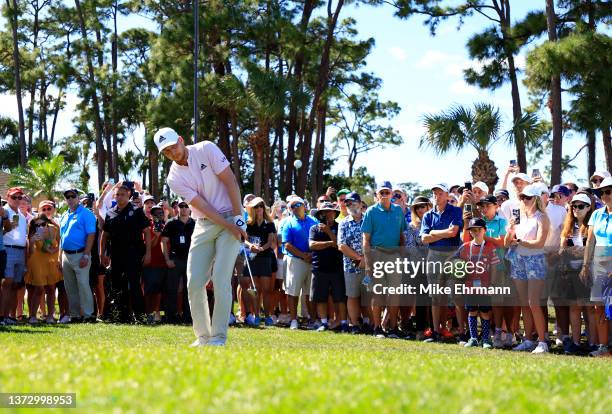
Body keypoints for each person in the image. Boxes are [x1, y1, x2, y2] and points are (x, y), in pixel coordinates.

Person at [155, 127, 246, 347]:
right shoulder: (173, 178)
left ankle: (218, 337)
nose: (172, 153)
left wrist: (238, 219)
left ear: (181, 139)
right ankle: (203, 337)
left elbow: (230, 181)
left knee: (221, 278)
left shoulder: (206, 148)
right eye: (166, 152)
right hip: (204, 223)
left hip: (231, 216)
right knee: (195, 282)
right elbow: (202, 206)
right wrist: (228, 225)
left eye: (173, 147)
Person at [504, 184, 550, 354]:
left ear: (536, 199)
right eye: (522, 197)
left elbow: (540, 243)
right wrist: (510, 231)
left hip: (535, 261)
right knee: (524, 302)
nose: (523, 200)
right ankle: (529, 340)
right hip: (517, 259)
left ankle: (543, 342)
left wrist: (520, 242)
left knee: (533, 302)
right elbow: (506, 243)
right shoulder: (519, 217)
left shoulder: (542, 217)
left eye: (527, 197)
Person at [100, 183, 151, 323]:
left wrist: (148, 253)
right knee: (117, 286)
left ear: (128, 195)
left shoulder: (137, 211)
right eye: (117, 194)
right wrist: (102, 254)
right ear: (114, 196)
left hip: (134, 254)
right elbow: (105, 235)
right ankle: (120, 317)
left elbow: (146, 232)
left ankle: (140, 317)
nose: (120, 197)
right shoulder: (110, 213)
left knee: (134, 285)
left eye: (123, 194)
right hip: (116, 255)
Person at [362, 181, 407, 338]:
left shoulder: (398, 211)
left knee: (394, 294)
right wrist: (368, 263)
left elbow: (402, 235)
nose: (384, 195)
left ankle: (393, 328)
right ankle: (377, 328)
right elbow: (366, 239)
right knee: (377, 294)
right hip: (377, 255)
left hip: (394, 255)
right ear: (377, 194)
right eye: (381, 192)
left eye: (387, 192)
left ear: (392, 194)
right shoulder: (371, 211)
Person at [420, 183, 464, 343]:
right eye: (435, 194)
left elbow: (454, 232)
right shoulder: (428, 215)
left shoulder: (456, 211)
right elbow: (424, 239)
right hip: (434, 256)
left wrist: (433, 232)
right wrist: (442, 233)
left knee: (456, 295)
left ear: (446, 195)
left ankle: (463, 333)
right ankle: (437, 331)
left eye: (440, 193)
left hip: (453, 255)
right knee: (436, 296)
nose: (437, 196)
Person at [558, 193, 596, 354]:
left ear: (588, 208)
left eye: (581, 206)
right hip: (571, 273)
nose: (576, 209)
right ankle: (575, 343)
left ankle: (593, 343)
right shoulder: (568, 228)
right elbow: (562, 251)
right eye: (574, 206)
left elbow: (592, 250)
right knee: (574, 308)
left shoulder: (591, 227)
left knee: (589, 309)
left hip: (588, 272)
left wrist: (578, 253)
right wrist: (565, 249)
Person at [456, 218, 499, 349]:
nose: (476, 232)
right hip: (469, 286)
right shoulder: (465, 247)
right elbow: (456, 264)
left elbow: (495, 268)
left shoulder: (491, 247)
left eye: (479, 230)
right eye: (473, 230)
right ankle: (473, 338)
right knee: (472, 311)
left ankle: (486, 339)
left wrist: (492, 284)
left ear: (484, 230)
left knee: (485, 312)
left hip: (485, 286)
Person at [580, 176, 612, 357]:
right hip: (598, 266)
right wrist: (585, 265)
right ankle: (603, 347)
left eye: (608, 191)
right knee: (598, 307)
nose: (604, 195)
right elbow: (590, 242)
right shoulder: (596, 214)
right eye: (602, 192)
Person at [59, 188, 97, 323]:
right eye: (67, 197)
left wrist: (86, 255)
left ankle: (88, 315)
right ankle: (75, 315)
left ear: (78, 198)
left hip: (80, 254)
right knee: (70, 287)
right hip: (66, 255)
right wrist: (60, 258)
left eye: (72, 196)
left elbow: (91, 235)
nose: (70, 199)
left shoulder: (86, 214)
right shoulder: (64, 214)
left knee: (83, 285)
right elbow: (62, 238)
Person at [281, 196, 318, 330]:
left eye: (298, 205)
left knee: (310, 293)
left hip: (312, 259)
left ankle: (312, 320)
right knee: (293, 292)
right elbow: (287, 245)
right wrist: (303, 256)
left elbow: (319, 238)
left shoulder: (313, 220)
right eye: (292, 206)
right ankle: (293, 320)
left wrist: (311, 255)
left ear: (304, 206)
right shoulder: (288, 223)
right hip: (296, 260)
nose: (296, 208)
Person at [309, 202, 347, 332]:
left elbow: (340, 245)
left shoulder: (340, 226)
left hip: (337, 268)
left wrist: (329, 232)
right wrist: (331, 242)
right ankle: (324, 323)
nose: (327, 214)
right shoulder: (314, 228)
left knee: (340, 297)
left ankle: (343, 323)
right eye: (324, 211)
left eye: (330, 211)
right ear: (320, 214)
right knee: (320, 297)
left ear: (335, 213)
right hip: (319, 267)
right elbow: (312, 245)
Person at [243, 197, 277, 326]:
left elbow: (271, 241)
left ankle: (267, 317)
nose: (259, 209)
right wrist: (250, 246)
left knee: (267, 289)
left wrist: (261, 248)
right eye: (256, 207)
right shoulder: (248, 223)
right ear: (252, 209)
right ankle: (256, 316)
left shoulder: (269, 224)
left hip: (265, 258)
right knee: (254, 289)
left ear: (264, 208)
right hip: (252, 258)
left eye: (261, 206)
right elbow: (244, 239)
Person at [338, 192, 369, 333]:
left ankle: (370, 323)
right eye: (347, 203)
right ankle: (355, 324)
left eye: (353, 202)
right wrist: (359, 258)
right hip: (351, 266)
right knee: (353, 296)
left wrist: (366, 260)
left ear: (360, 203)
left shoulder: (369, 219)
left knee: (369, 295)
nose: (350, 205)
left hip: (369, 266)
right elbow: (341, 245)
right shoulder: (344, 222)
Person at [161, 200, 195, 324]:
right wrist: (167, 259)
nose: (184, 208)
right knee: (172, 289)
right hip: (175, 260)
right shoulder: (171, 223)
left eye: (186, 206)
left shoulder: (195, 223)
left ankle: (188, 317)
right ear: (177, 208)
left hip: (191, 261)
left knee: (190, 290)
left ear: (190, 208)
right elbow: (163, 241)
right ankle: (171, 317)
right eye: (181, 206)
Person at [25, 213, 62, 324]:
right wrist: (31, 242)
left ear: (47, 223)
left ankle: (50, 316)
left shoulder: (54, 229)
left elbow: (60, 245)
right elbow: (30, 252)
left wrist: (54, 251)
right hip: (36, 260)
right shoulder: (32, 233)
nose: (40, 227)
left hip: (51, 260)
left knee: (51, 288)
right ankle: (32, 316)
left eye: (43, 224)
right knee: (39, 288)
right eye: (37, 225)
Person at [405, 196, 432, 339]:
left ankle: (435, 330)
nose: (421, 209)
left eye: (423, 206)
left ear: (429, 207)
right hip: (418, 266)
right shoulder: (411, 226)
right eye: (418, 207)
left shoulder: (434, 223)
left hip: (435, 264)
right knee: (421, 299)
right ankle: (420, 330)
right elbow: (410, 247)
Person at [1, 188, 28, 326]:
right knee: (7, 283)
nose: (17, 200)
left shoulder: (22, 216)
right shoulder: (3, 212)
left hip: (20, 251)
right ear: (8, 197)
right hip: (8, 249)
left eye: (19, 197)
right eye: (14, 197)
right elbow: (3, 233)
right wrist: (7, 227)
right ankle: (2, 316)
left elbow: (23, 237)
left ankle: (9, 316)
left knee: (16, 285)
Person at [143, 203, 168, 324]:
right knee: (149, 290)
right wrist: (157, 236)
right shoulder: (148, 227)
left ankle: (157, 313)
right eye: (156, 213)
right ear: (151, 216)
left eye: (161, 213)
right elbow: (150, 246)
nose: (159, 215)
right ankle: (149, 313)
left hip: (165, 263)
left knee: (160, 290)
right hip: (152, 263)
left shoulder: (167, 226)